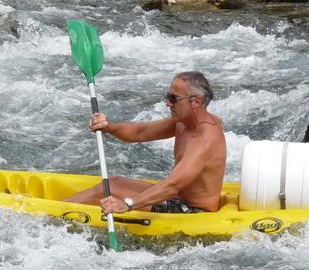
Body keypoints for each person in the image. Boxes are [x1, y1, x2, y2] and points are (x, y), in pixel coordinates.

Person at [63, 71, 226, 214]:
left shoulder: (205, 138)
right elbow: (139, 133)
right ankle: (59, 207)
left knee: (110, 190)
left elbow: (173, 185)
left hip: (193, 210)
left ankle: (50, 215)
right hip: (177, 196)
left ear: (196, 101)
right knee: (114, 182)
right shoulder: (184, 122)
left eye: (173, 98)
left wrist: (127, 204)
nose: (167, 103)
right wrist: (108, 127)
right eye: (167, 97)